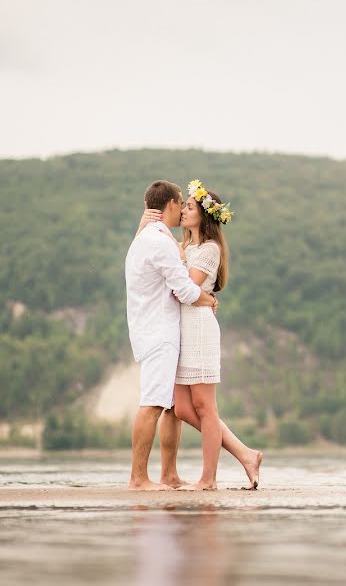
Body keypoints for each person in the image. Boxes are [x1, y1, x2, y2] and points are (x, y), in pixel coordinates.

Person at [138, 180, 262, 490]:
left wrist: (202, 295)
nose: (183, 211)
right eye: (184, 205)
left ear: (203, 216)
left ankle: (208, 479)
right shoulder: (185, 247)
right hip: (180, 330)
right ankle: (244, 452)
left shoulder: (209, 249)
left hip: (199, 328)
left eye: (190, 207)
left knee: (206, 407)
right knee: (180, 408)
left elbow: (187, 289)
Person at [125, 180, 218, 491]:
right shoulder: (161, 242)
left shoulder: (145, 238)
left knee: (168, 408)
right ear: (171, 205)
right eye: (182, 203)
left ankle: (169, 475)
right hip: (159, 332)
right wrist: (210, 299)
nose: (183, 209)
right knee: (153, 403)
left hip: (152, 329)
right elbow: (185, 290)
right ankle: (139, 478)